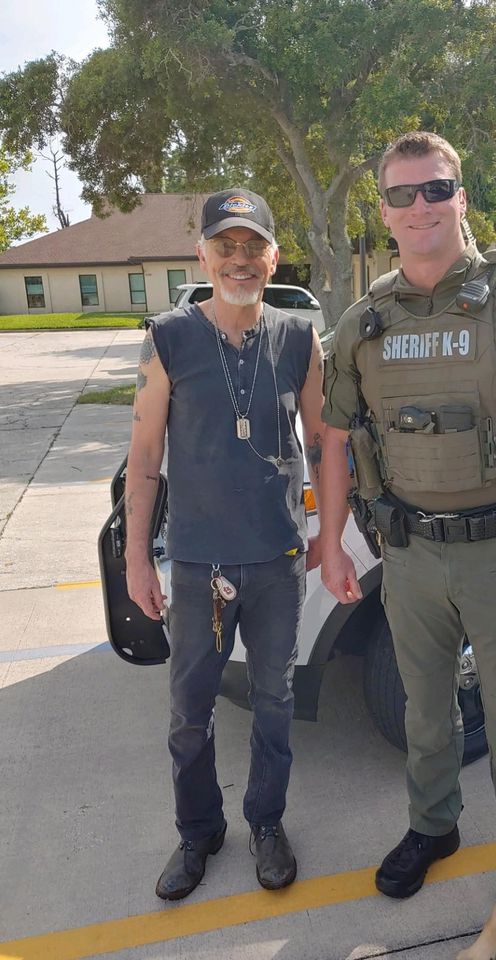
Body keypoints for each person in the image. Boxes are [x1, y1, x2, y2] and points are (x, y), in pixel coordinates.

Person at [320, 133, 496, 952]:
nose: (420, 207)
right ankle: (432, 826)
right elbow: (336, 436)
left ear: (461, 195)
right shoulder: (365, 320)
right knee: (424, 708)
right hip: (407, 554)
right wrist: (334, 542)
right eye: (402, 194)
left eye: (435, 189)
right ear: (381, 208)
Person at [125, 188, 325, 900]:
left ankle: (266, 823)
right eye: (225, 246)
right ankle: (198, 830)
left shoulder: (300, 339)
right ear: (202, 255)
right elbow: (145, 455)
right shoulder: (168, 337)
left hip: (276, 560)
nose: (239, 260)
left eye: (253, 247)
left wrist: (326, 531)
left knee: (274, 701)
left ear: (274, 257)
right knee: (190, 710)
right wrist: (136, 560)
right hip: (199, 565)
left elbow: (326, 442)